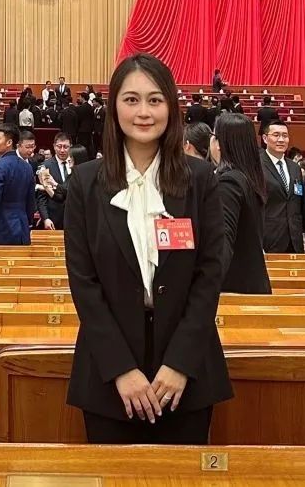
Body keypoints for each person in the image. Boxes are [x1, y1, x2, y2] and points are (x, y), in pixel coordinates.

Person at [64, 53, 230, 445]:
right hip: (109, 376)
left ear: (171, 108)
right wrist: (121, 369)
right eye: (131, 100)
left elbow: (210, 274)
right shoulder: (86, 182)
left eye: (155, 100)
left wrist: (179, 363)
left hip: (186, 375)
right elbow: (84, 283)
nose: (144, 112)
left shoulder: (200, 179)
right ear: (114, 108)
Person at [210, 112, 270, 295]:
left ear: (220, 143)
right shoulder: (249, 178)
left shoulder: (228, 183)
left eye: (214, 135)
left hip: (234, 290)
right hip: (251, 284)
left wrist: (206, 284)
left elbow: (223, 240)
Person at [0, 123, 36, 246]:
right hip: (23, 227)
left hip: (3, 228)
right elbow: (31, 201)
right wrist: (29, 225)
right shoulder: (27, 167)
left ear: (9, 142)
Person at [259, 121, 303, 253]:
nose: (281, 140)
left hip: (294, 239)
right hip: (268, 238)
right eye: (276, 135)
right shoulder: (257, 165)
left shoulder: (295, 167)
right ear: (265, 138)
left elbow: (297, 199)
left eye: (285, 135)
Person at [37, 133, 73, 230]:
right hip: (53, 217)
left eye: (65, 147)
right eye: (59, 146)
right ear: (54, 146)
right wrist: (45, 218)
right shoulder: (45, 166)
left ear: (70, 146)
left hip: (73, 216)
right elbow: (42, 197)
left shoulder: (75, 165)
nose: (62, 150)